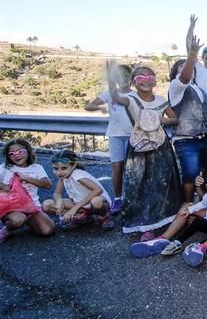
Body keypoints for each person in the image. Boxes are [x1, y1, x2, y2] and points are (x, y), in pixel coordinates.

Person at [110, 66, 183, 238]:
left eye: (150, 77)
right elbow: (116, 97)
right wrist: (111, 79)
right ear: (133, 82)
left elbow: (174, 118)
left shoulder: (160, 100)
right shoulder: (130, 98)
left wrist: (160, 119)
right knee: (140, 185)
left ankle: (164, 217)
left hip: (160, 146)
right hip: (139, 147)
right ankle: (146, 224)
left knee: (162, 183)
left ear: (155, 81)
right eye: (140, 78)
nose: (145, 81)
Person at [129, 169, 207, 267]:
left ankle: (198, 247)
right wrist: (189, 210)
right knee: (197, 223)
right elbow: (201, 205)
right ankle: (177, 241)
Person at [171, 16, 207, 201]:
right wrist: (191, 27)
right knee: (190, 173)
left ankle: (205, 199)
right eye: (206, 58)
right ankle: (187, 205)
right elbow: (189, 51)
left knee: (206, 166)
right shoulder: (189, 76)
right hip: (188, 133)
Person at [85, 62, 133, 214]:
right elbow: (89, 106)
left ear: (131, 78)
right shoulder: (108, 94)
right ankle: (118, 199)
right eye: (119, 76)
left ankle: (132, 199)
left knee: (132, 170)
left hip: (133, 136)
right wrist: (101, 108)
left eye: (126, 75)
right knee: (117, 168)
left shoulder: (136, 94)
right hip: (115, 135)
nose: (123, 78)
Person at [42, 150, 114, 231]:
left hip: (95, 204)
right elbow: (57, 193)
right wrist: (59, 203)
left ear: (74, 165)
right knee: (47, 205)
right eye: (55, 169)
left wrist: (74, 209)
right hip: (81, 205)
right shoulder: (64, 177)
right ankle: (83, 218)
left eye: (64, 168)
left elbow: (98, 190)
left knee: (96, 201)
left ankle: (104, 216)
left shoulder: (77, 175)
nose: (59, 172)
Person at [0, 139, 55, 242]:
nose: (16, 155)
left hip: (32, 206)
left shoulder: (37, 168)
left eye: (20, 151)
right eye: (11, 154)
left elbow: (47, 185)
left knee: (48, 230)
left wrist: (26, 178)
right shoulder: (5, 168)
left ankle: (29, 221)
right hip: (12, 207)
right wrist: (5, 186)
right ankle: (7, 229)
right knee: (17, 220)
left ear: (28, 151)